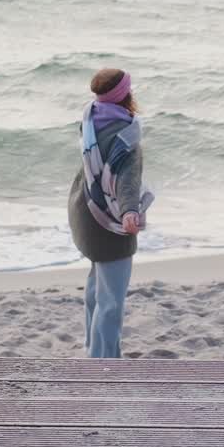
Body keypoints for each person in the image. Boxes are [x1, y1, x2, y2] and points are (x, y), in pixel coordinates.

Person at [68, 68, 154, 358]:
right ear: (125, 95)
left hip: (85, 209)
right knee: (111, 300)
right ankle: (103, 361)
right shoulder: (126, 135)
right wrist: (130, 212)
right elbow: (127, 181)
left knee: (97, 284)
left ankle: (92, 347)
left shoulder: (89, 118)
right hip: (109, 220)